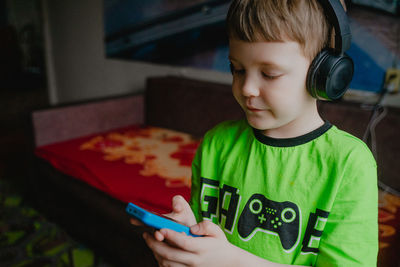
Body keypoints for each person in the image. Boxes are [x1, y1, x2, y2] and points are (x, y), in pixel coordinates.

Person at [132, 0, 378, 265]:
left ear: (325, 74)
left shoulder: (348, 163)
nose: (247, 87)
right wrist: (187, 238)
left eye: (269, 73)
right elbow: (207, 238)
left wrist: (229, 261)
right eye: (237, 69)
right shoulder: (216, 144)